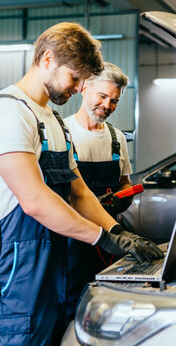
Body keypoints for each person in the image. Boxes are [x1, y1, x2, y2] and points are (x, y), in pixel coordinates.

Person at [0, 22, 162, 346]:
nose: (77, 88)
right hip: (17, 271)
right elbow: (34, 200)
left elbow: (78, 191)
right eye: (74, 78)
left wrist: (118, 233)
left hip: (53, 268)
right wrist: (102, 238)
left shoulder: (53, 120)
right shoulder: (7, 113)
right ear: (47, 60)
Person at [63, 62, 136, 314]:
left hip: (111, 238)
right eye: (102, 96)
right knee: (72, 302)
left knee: (107, 299)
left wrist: (123, 199)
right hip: (72, 240)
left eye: (114, 101)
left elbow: (124, 183)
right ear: (84, 88)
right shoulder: (64, 133)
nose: (107, 106)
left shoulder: (117, 138)